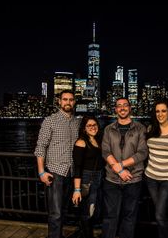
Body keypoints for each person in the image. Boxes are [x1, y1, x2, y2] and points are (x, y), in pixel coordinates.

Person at [34, 90, 81, 238]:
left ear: (74, 102)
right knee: (56, 213)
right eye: (65, 99)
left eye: (71, 100)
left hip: (72, 172)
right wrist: (41, 172)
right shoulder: (50, 120)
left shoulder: (77, 122)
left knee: (65, 210)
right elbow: (41, 146)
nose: (68, 102)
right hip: (55, 172)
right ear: (59, 102)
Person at [101, 97, 149, 238]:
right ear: (115, 109)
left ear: (130, 108)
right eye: (119, 106)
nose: (122, 108)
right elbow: (105, 151)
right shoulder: (108, 129)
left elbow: (142, 152)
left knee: (129, 217)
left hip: (133, 179)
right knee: (110, 216)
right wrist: (119, 170)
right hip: (111, 180)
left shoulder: (140, 128)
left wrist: (121, 165)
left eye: (125, 105)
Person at [144, 99, 168, 238]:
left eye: (163, 111)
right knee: (162, 215)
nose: (160, 114)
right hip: (151, 177)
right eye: (157, 111)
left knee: (160, 215)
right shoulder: (150, 129)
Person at [72, 115, 105, 238]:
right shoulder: (81, 142)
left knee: (96, 210)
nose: (93, 127)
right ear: (84, 128)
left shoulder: (98, 140)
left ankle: (84, 232)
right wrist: (77, 190)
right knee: (88, 211)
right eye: (89, 125)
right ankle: (86, 235)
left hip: (99, 179)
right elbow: (78, 167)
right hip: (87, 179)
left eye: (95, 125)